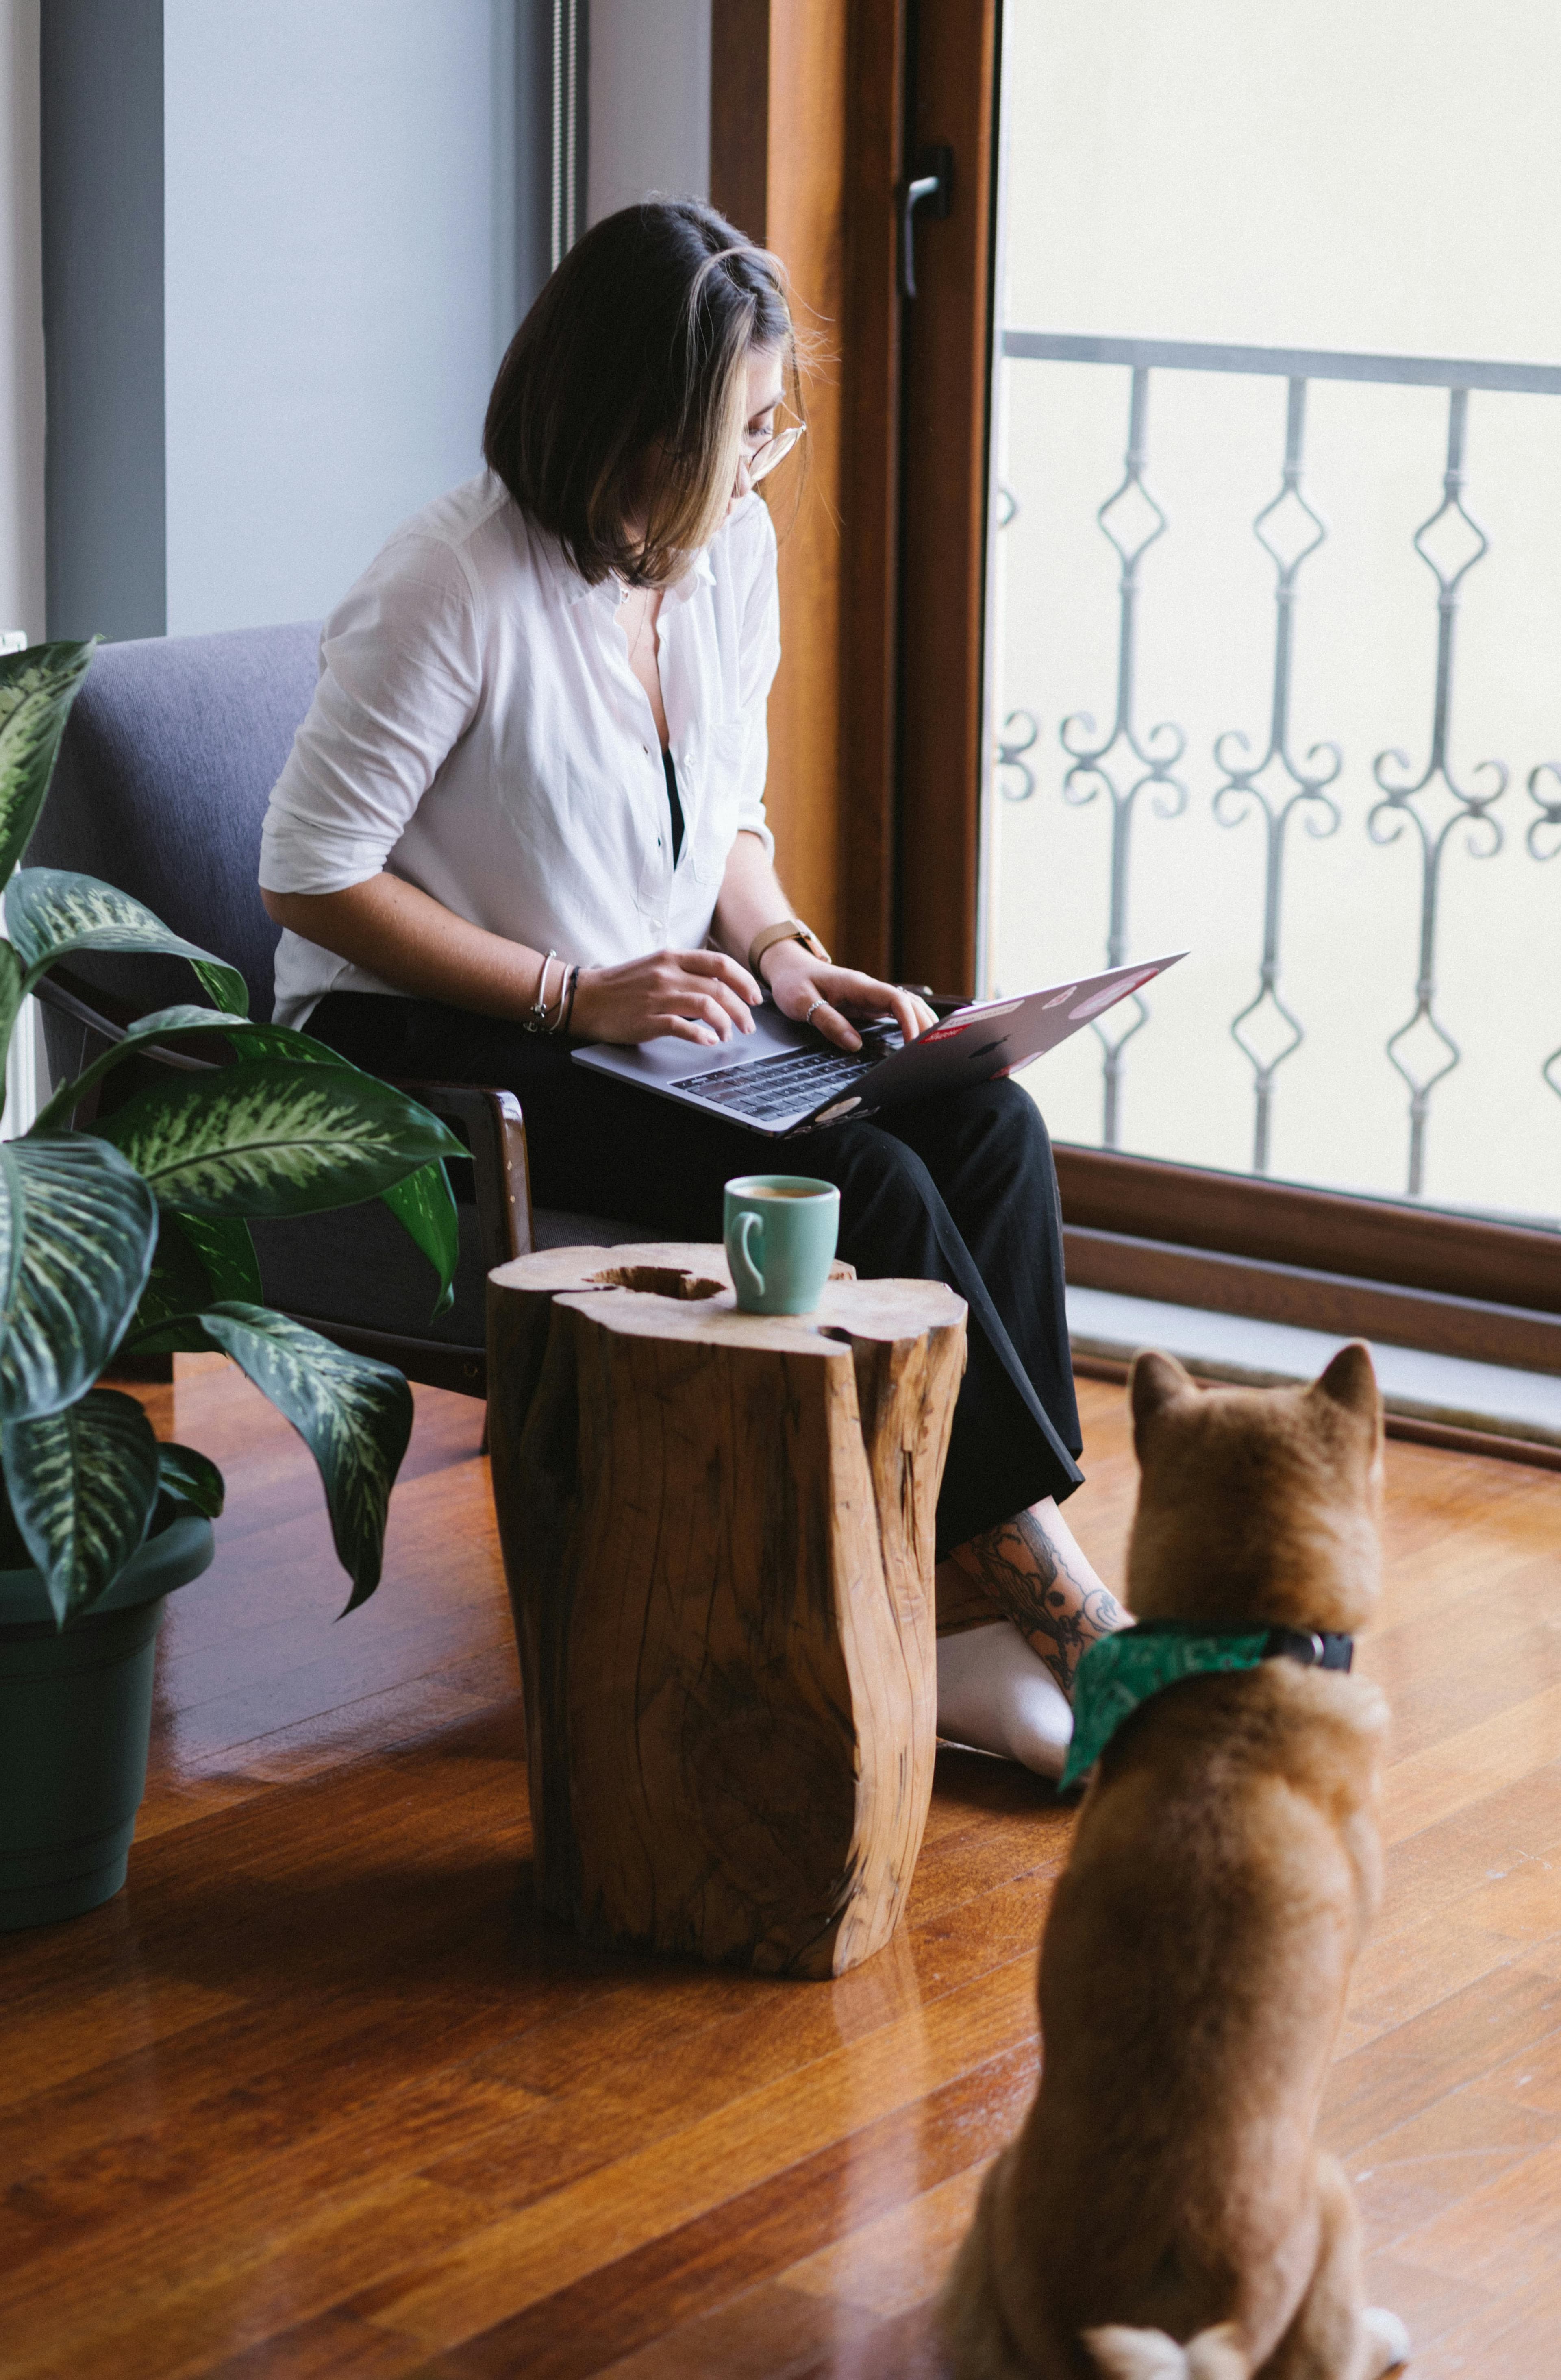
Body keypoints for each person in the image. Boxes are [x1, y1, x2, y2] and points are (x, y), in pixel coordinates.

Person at [258, 198, 1126, 1780]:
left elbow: (722, 811)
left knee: (983, 1119)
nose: (768, 459)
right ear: (635, 434)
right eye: (748, 427)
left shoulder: (728, 555)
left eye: (774, 421)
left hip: (659, 1025)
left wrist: (788, 954)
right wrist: (564, 993)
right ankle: (1060, 1615)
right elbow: (313, 876)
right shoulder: (449, 586)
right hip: (440, 1049)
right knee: (848, 1178)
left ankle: (962, 1615)